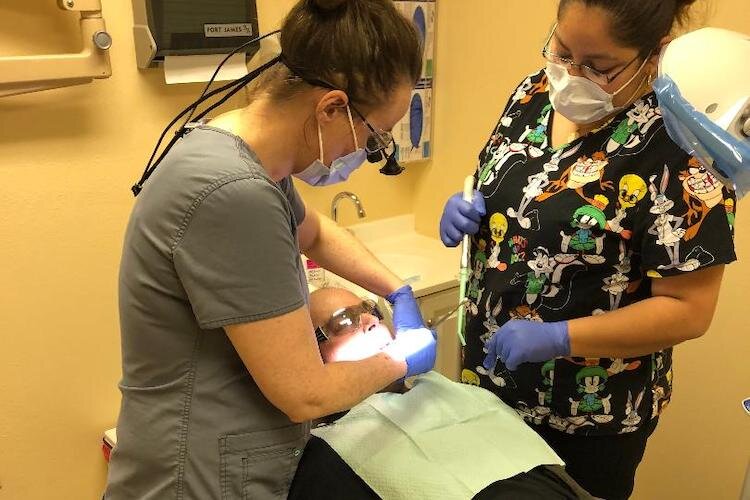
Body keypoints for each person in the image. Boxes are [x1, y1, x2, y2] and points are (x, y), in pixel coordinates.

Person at [104, 1, 438, 498]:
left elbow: (316, 233)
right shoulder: (231, 190)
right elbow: (305, 393)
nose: (367, 154)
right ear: (331, 108)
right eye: (373, 137)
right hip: (194, 476)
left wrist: (397, 290)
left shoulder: (243, 157)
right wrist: (401, 360)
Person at [439, 1, 737, 498]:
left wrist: (560, 338)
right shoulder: (533, 93)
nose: (570, 75)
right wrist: (465, 202)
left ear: (654, 54)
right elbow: (507, 183)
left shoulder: (683, 146)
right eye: (561, 50)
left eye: (597, 66)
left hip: (585, 423)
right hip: (486, 386)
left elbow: (688, 311)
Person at [289, 287, 595, 500]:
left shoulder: (448, 392)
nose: (371, 320)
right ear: (310, 357)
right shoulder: (328, 455)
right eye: (344, 320)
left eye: (368, 310)